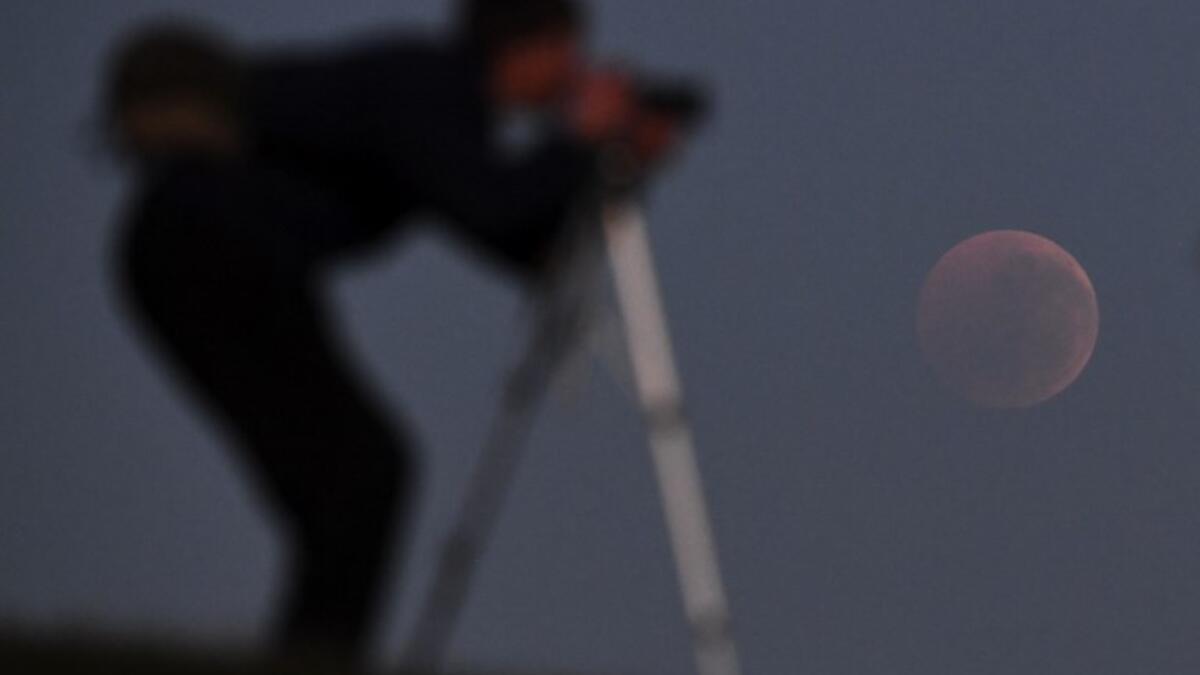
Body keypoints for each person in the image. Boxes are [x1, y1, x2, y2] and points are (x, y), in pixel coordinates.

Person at [105, 0, 679, 663]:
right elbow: (494, 207)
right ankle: (316, 657)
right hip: (209, 253)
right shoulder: (428, 87)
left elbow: (524, 241)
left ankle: (314, 654)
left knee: (355, 480)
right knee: (359, 477)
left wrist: (614, 164)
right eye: (569, 53)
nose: (575, 74)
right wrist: (580, 141)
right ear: (530, 48)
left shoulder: (437, 108)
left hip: (209, 260)